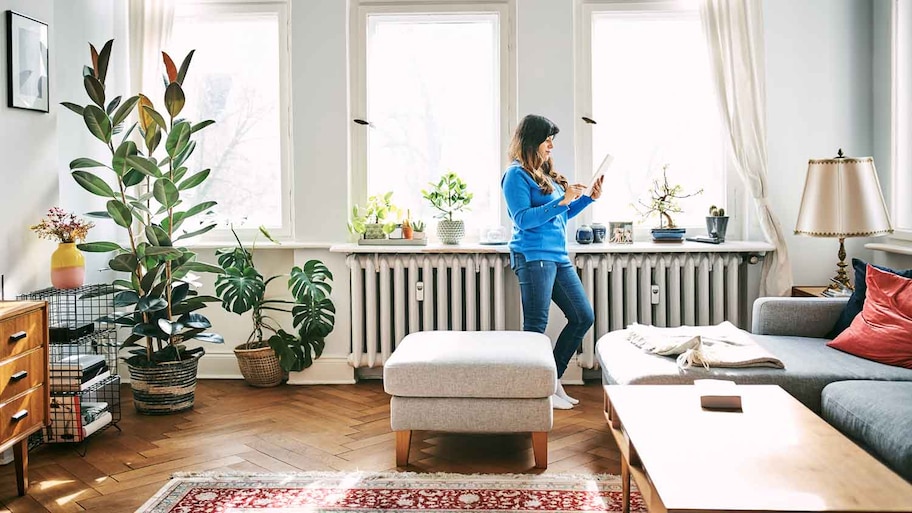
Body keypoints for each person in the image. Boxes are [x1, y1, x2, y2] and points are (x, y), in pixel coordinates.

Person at [501, 114, 604, 410]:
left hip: (557, 257)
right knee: (536, 325)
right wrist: (560, 201)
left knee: (583, 316)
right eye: (547, 140)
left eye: (552, 141)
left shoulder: (544, 175)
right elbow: (523, 219)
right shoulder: (515, 175)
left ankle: (551, 381)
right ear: (532, 140)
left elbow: (560, 214)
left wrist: (587, 199)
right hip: (533, 256)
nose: (550, 146)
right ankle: (534, 393)